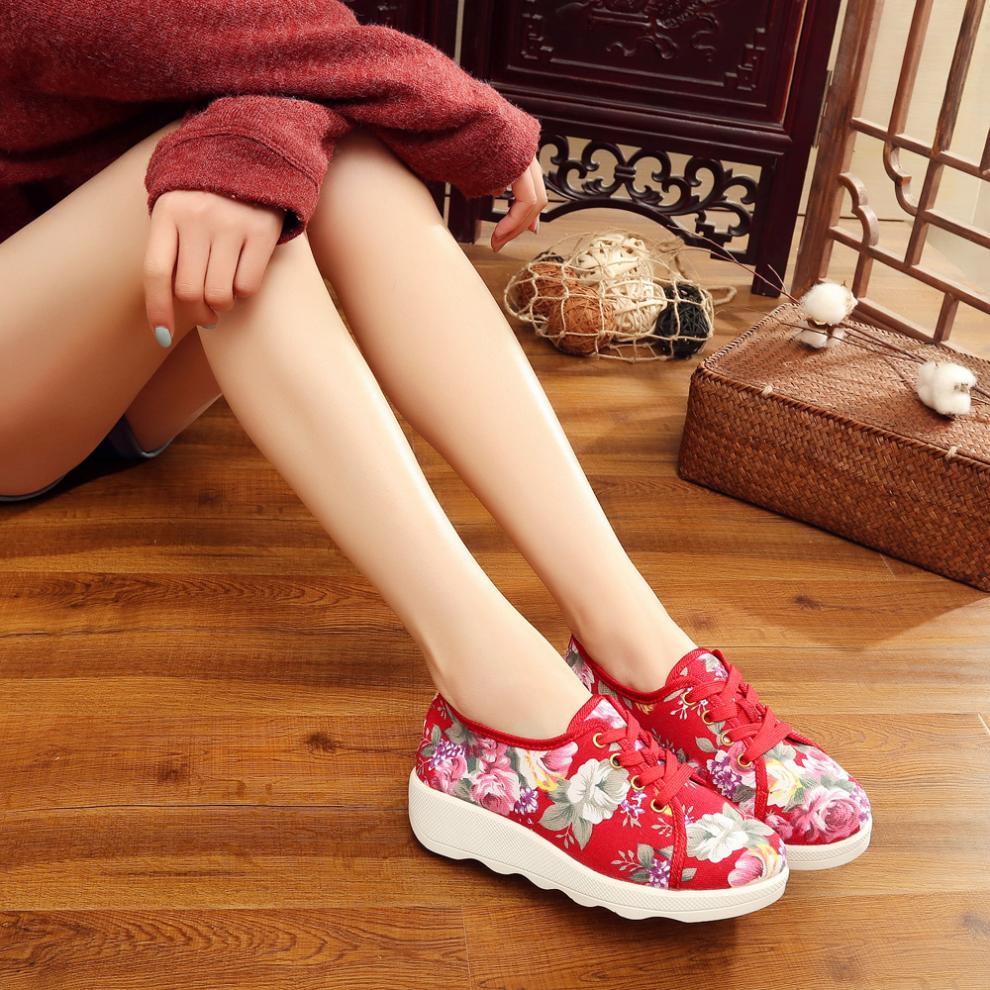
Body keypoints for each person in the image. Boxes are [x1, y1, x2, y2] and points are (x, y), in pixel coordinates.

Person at [0, 0, 870, 921]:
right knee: (233, 167)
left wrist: (267, 125)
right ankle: (495, 689)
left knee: (303, 162)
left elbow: (269, 51)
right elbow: (83, 29)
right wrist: (467, 113)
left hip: (115, 344)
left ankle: (630, 644)